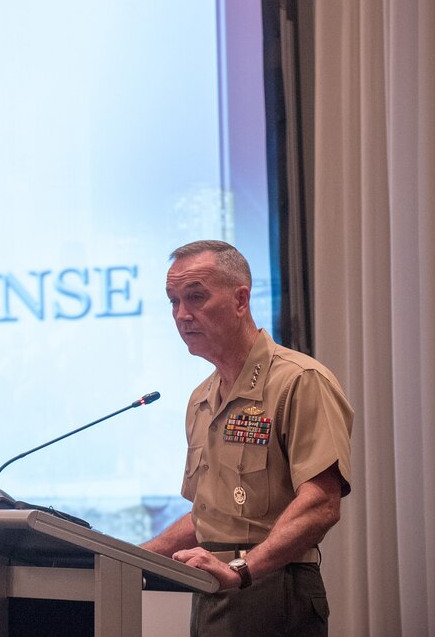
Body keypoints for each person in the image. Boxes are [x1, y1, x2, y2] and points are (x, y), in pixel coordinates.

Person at [141, 240, 353, 636]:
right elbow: (210, 519)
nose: (182, 314)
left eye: (196, 297)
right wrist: (134, 556)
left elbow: (322, 502)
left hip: (274, 588)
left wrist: (241, 570)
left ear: (241, 299)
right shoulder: (201, 398)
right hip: (211, 588)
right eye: (173, 301)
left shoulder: (299, 381)